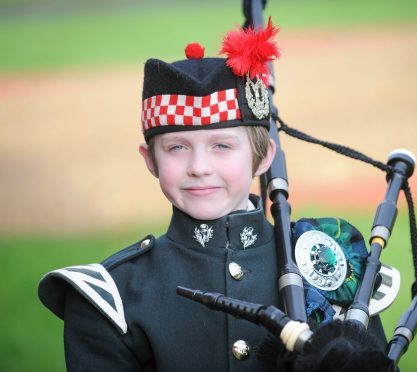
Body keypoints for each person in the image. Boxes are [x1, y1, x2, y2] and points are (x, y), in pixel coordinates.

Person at [38, 20, 388, 371]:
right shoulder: (112, 296)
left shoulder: (329, 266)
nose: (199, 166)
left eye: (222, 145)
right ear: (151, 160)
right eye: (177, 147)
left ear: (264, 156)